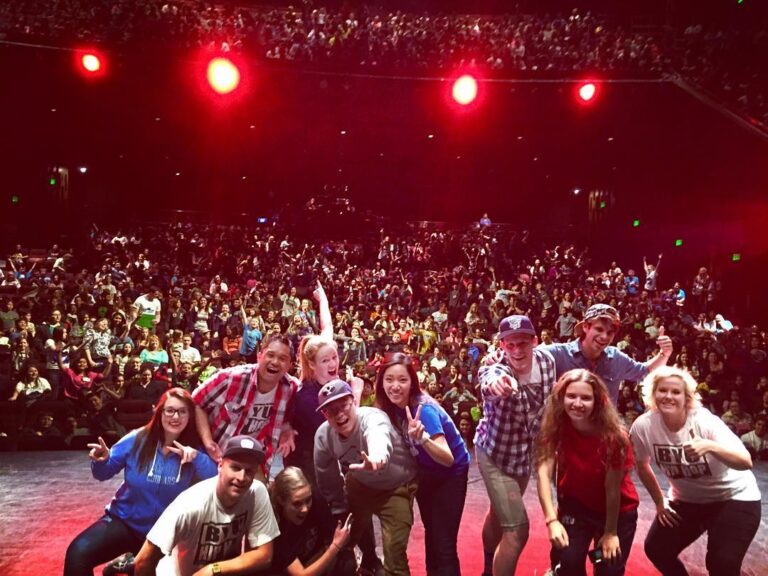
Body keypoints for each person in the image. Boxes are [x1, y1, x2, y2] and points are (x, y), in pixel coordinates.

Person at [64, 388, 218, 576]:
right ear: (159, 412)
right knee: (77, 553)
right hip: (126, 522)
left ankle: (129, 563)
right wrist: (101, 460)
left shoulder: (195, 448)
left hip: (167, 534)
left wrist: (197, 458)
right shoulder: (137, 439)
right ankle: (131, 561)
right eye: (169, 410)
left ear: (190, 416)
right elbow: (103, 473)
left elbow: (215, 480)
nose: (175, 416)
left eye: (182, 411)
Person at [630, 366, 761, 576]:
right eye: (662, 390)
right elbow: (641, 463)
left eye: (676, 392)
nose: (668, 396)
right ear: (653, 394)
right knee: (657, 549)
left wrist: (710, 446)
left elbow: (745, 462)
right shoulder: (643, 426)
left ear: (686, 397)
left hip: (733, 497)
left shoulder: (704, 421)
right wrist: (659, 501)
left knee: (722, 564)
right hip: (688, 500)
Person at [474, 315, 556, 576]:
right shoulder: (493, 367)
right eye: (510, 345)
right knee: (517, 528)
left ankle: (488, 569)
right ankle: (491, 569)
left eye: (523, 343)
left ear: (535, 341)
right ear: (502, 346)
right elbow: (490, 379)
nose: (517, 351)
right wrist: (497, 384)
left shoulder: (547, 361)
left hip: (524, 454)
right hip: (495, 453)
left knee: (500, 514)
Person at [536, 369, 639, 575]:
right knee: (569, 563)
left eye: (586, 398)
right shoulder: (556, 427)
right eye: (571, 396)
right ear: (561, 398)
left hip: (616, 513)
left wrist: (610, 532)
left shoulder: (614, 437)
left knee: (607, 568)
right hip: (576, 509)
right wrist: (551, 520)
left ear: (598, 401)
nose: (577, 403)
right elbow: (543, 473)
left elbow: (612, 489)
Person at [375, 353, 470, 576]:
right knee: (432, 533)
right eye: (389, 379)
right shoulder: (390, 407)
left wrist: (423, 439)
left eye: (402, 380)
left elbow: (448, 458)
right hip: (426, 472)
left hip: (450, 475)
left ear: (412, 382)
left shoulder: (423, 410)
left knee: (444, 542)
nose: (395, 386)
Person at [133, 435, 280, 576]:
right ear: (220, 466)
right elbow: (143, 560)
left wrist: (213, 569)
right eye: (235, 468)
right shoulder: (191, 504)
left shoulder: (257, 492)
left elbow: (264, 556)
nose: (241, 477)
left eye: (249, 471)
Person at [314, 379, 417, 576]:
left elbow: (378, 434)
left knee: (395, 552)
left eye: (343, 405)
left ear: (353, 401)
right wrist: (337, 507)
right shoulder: (323, 436)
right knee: (344, 539)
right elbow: (325, 475)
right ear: (324, 415)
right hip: (359, 485)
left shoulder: (373, 418)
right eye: (331, 410)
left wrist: (378, 458)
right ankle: (362, 567)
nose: (339, 414)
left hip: (395, 488)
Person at [193, 334, 299, 477]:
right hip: (215, 454)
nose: (275, 362)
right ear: (259, 356)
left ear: (290, 365)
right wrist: (207, 441)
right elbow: (195, 403)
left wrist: (287, 430)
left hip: (253, 460)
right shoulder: (230, 378)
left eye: (282, 358)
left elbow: (286, 418)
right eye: (270, 355)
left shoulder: (291, 388)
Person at [540, 303, 673, 404]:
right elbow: (528, 359)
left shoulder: (617, 358)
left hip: (603, 436)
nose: (604, 336)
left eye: (610, 332)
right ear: (586, 327)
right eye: (599, 329)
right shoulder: (557, 354)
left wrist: (664, 354)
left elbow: (645, 371)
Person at [267, 466, 357, 575]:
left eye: (307, 500)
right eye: (297, 504)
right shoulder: (274, 523)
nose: (305, 509)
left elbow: (330, 537)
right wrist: (336, 546)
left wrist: (341, 540)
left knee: (347, 563)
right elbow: (300, 574)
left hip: (312, 558)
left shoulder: (316, 500)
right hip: (288, 570)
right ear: (281, 500)